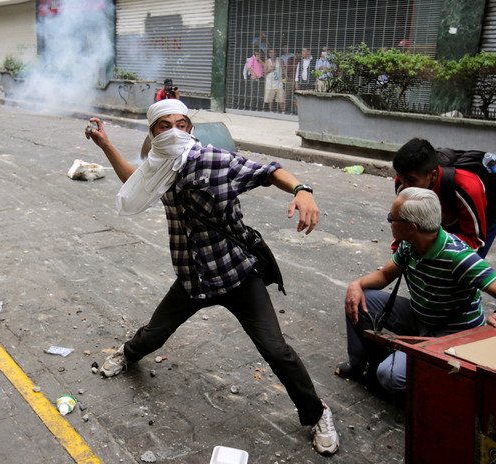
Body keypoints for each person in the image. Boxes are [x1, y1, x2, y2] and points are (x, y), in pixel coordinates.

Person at [84, 99, 339, 456]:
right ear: (153, 132)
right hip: (193, 278)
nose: (174, 131)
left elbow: (269, 171)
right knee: (154, 334)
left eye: (182, 124)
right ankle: (127, 354)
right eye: (164, 125)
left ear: (191, 128)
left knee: (276, 350)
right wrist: (106, 144)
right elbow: (135, 181)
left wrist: (303, 190)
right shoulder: (159, 167)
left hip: (236, 275)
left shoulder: (213, 160)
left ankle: (318, 413)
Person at [337, 187, 496, 395]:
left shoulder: (458, 257)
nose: (390, 221)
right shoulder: (409, 245)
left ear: (411, 227)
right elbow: (384, 276)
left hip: (452, 334)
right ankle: (360, 365)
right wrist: (356, 284)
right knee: (360, 298)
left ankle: (436, 388)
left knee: (391, 376)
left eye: (392, 218)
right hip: (422, 318)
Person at [393, 138, 496, 257]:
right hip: (446, 217)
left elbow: (474, 242)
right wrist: (397, 258)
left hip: (484, 218)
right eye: (400, 177)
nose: (406, 187)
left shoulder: (466, 188)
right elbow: (404, 226)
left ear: (433, 175)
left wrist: (431, 241)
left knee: (463, 268)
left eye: (410, 180)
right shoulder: (404, 182)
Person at [263, 49, 285, 113]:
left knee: (281, 99)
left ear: (276, 53)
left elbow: (284, 69)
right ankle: (270, 111)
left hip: (279, 83)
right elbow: (264, 73)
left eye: (273, 52)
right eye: (270, 52)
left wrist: (286, 77)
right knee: (270, 99)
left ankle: (283, 112)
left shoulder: (280, 60)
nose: (272, 54)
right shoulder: (267, 61)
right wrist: (270, 70)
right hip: (270, 83)